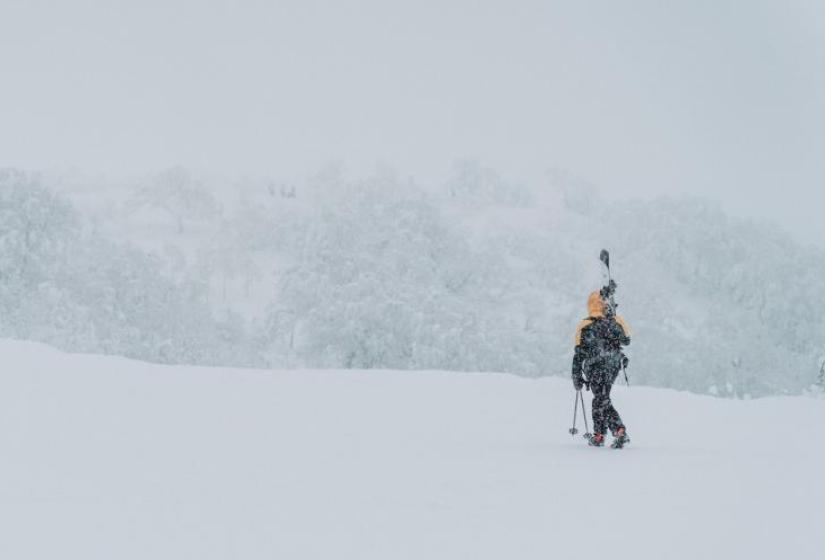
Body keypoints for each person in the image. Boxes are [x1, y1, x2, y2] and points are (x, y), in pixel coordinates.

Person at [572, 291, 631, 448]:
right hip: (612, 365)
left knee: (601, 398)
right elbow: (627, 340)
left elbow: (578, 354)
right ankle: (600, 434)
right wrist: (615, 319)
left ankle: (616, 430)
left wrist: (576, 375)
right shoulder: (614, 322)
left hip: (595, 367)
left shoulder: (585, 325)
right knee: (600, 398)